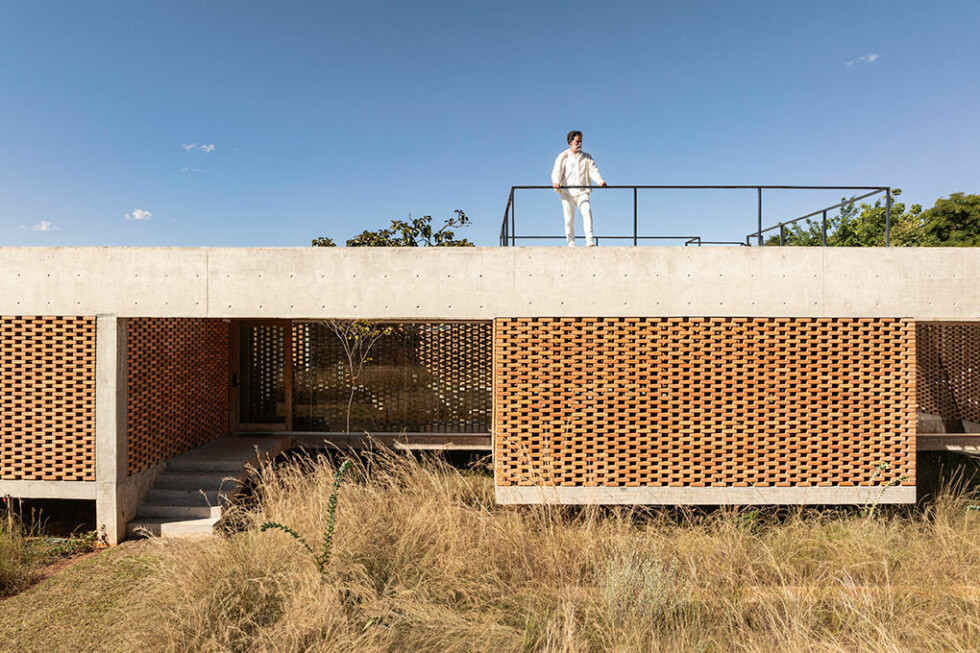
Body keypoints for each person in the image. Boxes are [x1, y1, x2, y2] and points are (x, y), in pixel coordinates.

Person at [551, 130, 607, 246]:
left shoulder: (587, 157)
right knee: (569, 218)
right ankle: (571, 242)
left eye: (581, 141)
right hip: (567, 192)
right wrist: (556, 182)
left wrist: (600, 181)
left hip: (582, 191)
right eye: (577, 141)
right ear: (570, 142)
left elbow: (593, 170)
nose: (580, 144)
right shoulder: (563, 157)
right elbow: (557, 171)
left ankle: (589, 240)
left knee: (587, 212)